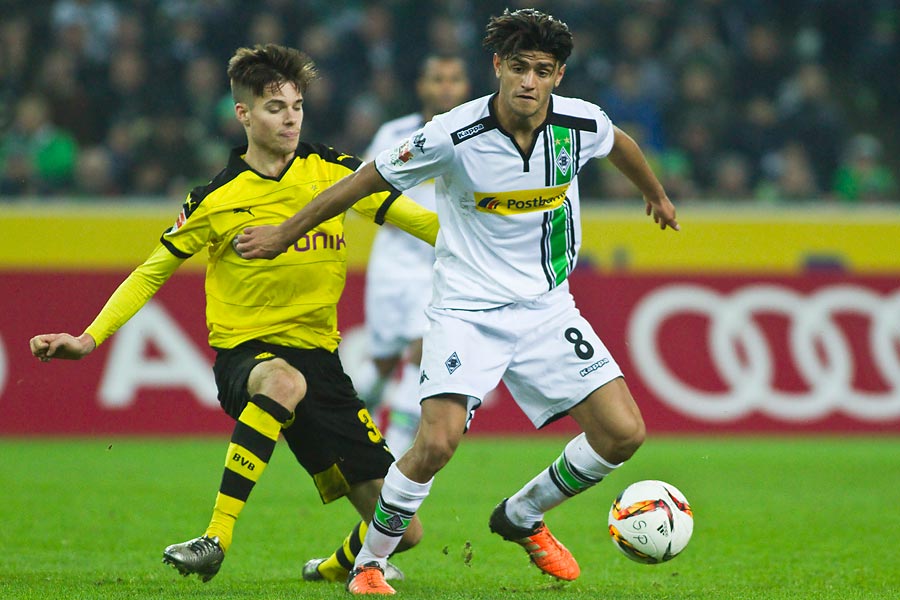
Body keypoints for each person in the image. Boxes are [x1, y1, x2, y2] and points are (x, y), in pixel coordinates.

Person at [234, 10, 679, 595]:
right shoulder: (452, 134)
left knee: (623, 434)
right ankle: (369, 565)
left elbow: (619, 143)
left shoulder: (580, 122)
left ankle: (521, 514)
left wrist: (656, 195)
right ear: (497, 66)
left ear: (558, 76)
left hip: (548, 307)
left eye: (541, 71)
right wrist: (284, 232)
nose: (528, 81)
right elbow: (364, 181)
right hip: (467, 311)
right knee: (436, 442)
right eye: (517, 67)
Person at [28, 44, 437, 585]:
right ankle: (215, 537)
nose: (290, 117)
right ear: (243, 114)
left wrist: (501, 247)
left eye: (296, 106)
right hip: (249, 356)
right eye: (275, 107)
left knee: (403, 530)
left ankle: (334, 568)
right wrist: (90, 337)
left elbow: (416, 219)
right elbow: (151, 271)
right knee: (282, 380)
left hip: (323, 363)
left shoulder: (333, 172)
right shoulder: (216, 198)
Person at [351, 54, 471, 458]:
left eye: (454, 79)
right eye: (437, 79)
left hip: (444, 268)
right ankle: (345, 426)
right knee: (382, 365)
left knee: (425, 353)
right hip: (393, 265)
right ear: (422, 86)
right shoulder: (394, 133)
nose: (446, 87)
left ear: (466, 87)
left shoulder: (480, 135)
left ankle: (392, 455)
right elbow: (362, 189)